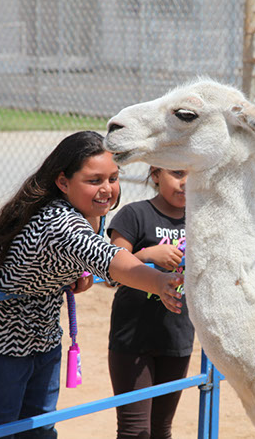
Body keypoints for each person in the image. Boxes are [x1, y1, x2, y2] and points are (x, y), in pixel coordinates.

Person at [0, 131, 183, 438]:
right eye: (94, 180)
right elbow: (108, 257)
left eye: (113, 178)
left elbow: (88, 259)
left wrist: (78, 275)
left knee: (40, 431)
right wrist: (159, 281)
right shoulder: (58, 221)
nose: (107, 189)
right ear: (63, 182)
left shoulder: (91, 213)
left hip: (42, 336)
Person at [106, 166, 195, 439]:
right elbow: (109, 273)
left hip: (177, 338)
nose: (186, 182)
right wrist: (146, 255)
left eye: (194, 174)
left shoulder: (201, 221)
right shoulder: (134, 215)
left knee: (161, 430)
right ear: (155, 174)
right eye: (177, 173)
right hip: (132, 340)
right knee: (135, 431)